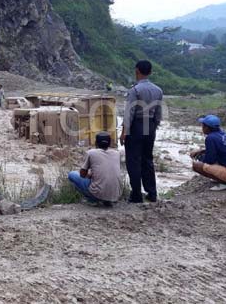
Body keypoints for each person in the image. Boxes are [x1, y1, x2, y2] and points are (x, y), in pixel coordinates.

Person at [120, 60, 163, 203]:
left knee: (133, 160)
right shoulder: (158, 90)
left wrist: (124, 132)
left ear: (137, 71)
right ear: (150, 72)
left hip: (137, 125)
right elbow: (158, 113)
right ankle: (152, 193)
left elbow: (129, 113)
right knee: (147, 160)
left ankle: (136, 195)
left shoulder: (135, 90)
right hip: (150, 126)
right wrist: (154, 126)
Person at [190, 115, 226, 191]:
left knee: (197, 166)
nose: (202, 128)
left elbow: (209, 161)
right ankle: (223, 178)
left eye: (203, 126)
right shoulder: (221, 134)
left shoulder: (210, 138)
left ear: (207, 127)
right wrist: (200, 151)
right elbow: (218, 150)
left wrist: (199, 158)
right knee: (203, 158)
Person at [68, 132, 123, 207]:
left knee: (72, 174)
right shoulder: (117, 154)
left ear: (96, 143)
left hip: (97, 193)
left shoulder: (91, 153)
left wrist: (90, 175)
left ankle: (92, 199)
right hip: (116, 195)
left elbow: (82, 174)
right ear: (109, 143)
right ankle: (107, 201)